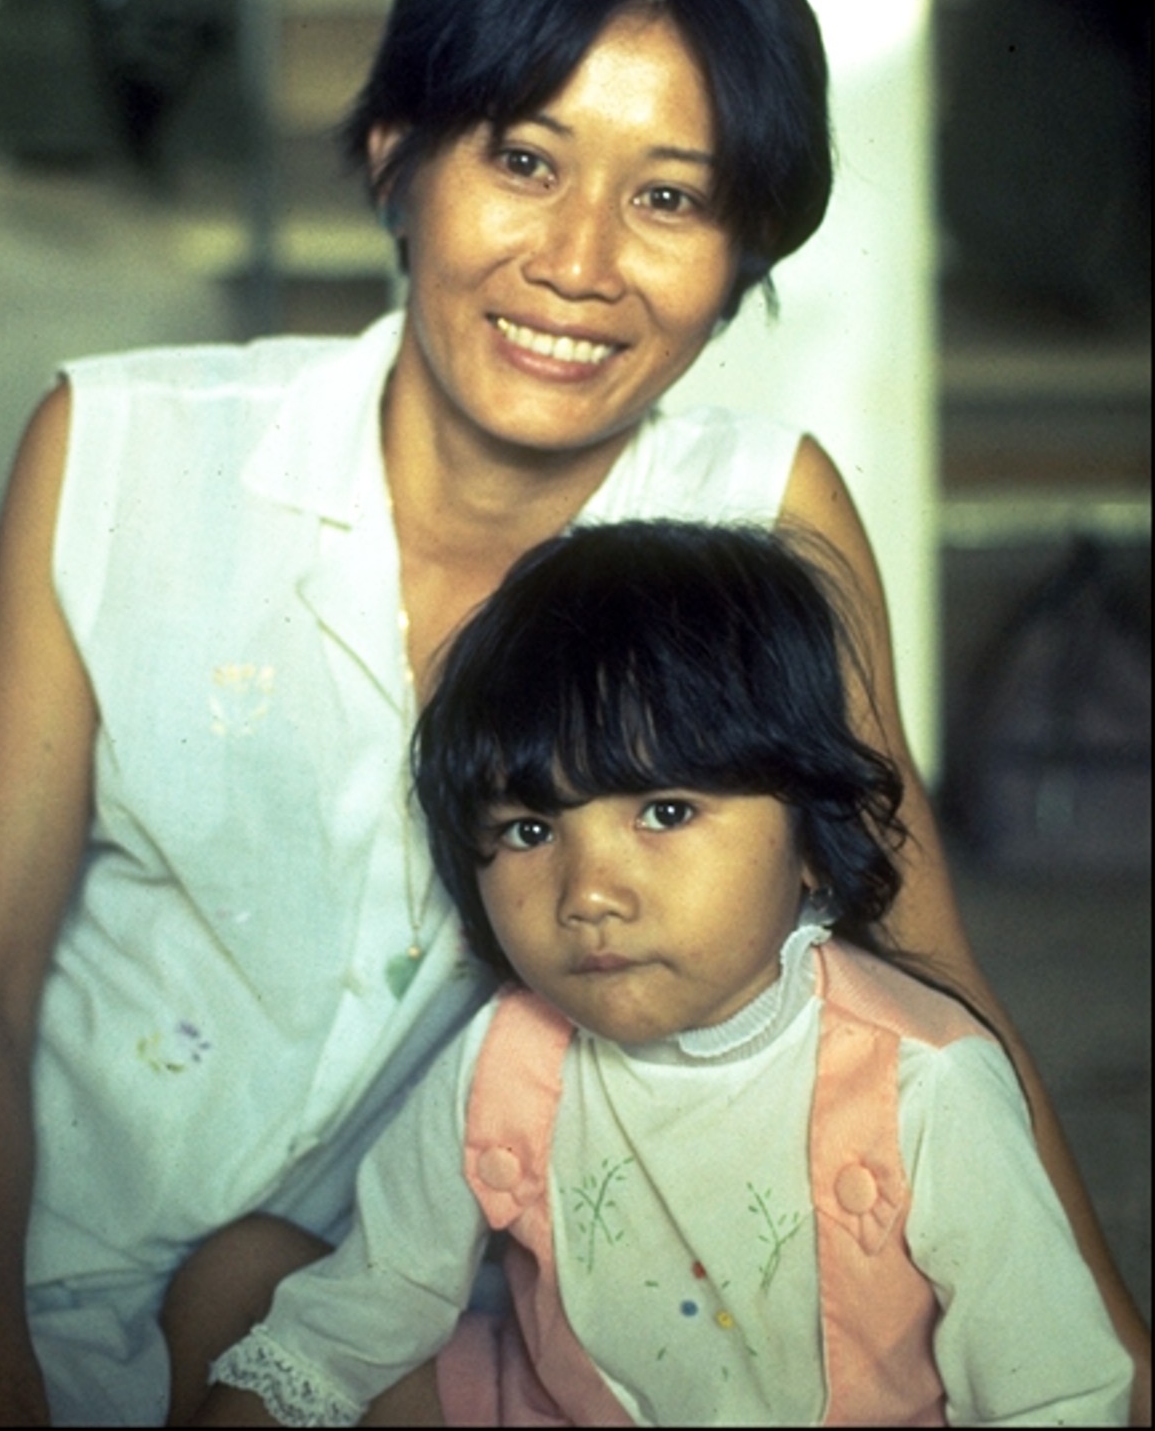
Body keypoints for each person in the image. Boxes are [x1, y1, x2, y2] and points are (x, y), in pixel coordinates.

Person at [0, 0, 1145, 1427]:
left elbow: (919, 963)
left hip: (338, 1281)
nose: (581, 259)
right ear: (398, 155)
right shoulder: (122, 448)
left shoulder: (757, 513)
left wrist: (1115, 1352)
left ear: (745, 252)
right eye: (525, 159)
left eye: (668, 196)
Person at [165, 519, 1133, 1427]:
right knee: (238, 1279)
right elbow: (372, 1305)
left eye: (665, 813)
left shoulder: (923, 1082)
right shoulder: (510, 1057)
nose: (589, 892)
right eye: (531, 830)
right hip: (556, 1403)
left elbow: (1052, 1389)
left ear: (809, 838)